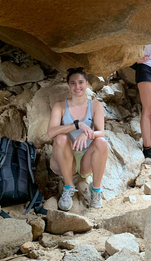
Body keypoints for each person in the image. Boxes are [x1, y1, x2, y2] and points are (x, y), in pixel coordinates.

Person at [47, 67, 108, 211]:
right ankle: (68, 188)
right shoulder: (60, 106)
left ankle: (96, 191)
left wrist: (86, 133)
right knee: (60, 138)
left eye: (81, 82)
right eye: (73, 83)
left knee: (101, 142)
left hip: (87, 158)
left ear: (86, 84)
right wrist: (76, 125)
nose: (77, 86)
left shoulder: (95, 105)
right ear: (68, 86)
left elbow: (101, 132)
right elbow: (51, 132)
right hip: (66, 158)